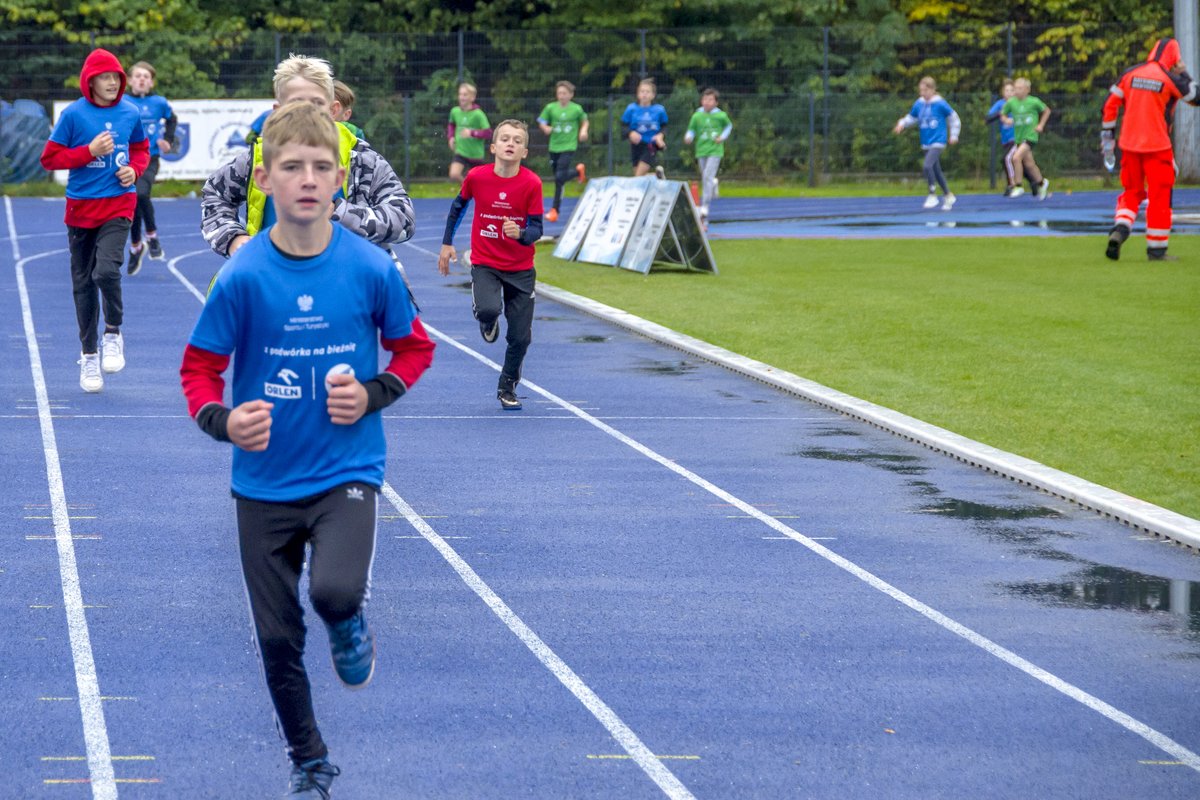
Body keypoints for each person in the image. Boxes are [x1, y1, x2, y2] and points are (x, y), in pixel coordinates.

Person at [180, 101, 435, 799]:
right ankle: (309, 759)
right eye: (292, 167)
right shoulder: (244, 275)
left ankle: (348, 622)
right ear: (264, 178)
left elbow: (415, 347)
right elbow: (198, 369)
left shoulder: (367, 267)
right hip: (261, 482)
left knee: (332, 590)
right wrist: (223, 422)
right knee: (276, 638)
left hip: (344, 470)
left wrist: (375, 392)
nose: (308, 179)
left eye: (322, 168)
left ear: (340, 177)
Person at [201, 54, 416, 263]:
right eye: (296, 104)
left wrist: (339, 212)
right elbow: (215, 194)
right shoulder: (257, 160)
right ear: (277, 111)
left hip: (349, 284)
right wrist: (232, 238)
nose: (306, 113)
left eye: (316, 104)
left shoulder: (362, 161)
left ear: (333, 110)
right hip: (276, 280)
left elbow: (404, 218)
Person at [39, 48, 149, 393]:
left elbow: (141, 148)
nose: (113, 83)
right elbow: (50, 159)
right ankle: (89, 356)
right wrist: (88, 152)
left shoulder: (130, 112)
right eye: (105, 77)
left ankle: (113, 331)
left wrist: (135, 169)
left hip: (119, 206)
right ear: (90, 81)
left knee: (106, 271)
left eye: (117, 77)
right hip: (81, 210)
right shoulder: (74, 115)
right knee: (84, 284)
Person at [437, 120, 543, 411]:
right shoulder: (477, 177)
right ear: (494, 147)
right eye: (505, 139)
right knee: (488, 309)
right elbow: (458, 207)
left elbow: (537, 229)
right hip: (486, 262)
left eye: (517, 140)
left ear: (524, 151)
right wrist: (447, 243)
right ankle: (487, 318)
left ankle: (507, 388)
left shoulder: (532, 183)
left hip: (521, 269)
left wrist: (520, 234)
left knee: (520, 338)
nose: (511, 143)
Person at [1102, 37, 1200, 261]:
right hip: (1158, 146)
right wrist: (1183, 72)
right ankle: (1156, 250)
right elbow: (1196, 97)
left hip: (1129, 145)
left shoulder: (1130, 74)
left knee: (1131, 192)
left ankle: (1121, 228)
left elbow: (1109, 105)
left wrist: (1108, 135)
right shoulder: (1170, 78)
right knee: (1159, 197)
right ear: (1174, 58)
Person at [125, 60, 177, 274]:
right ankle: (137, 245)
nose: (142, 79)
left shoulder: (159, 103)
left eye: (146, 76)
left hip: (149, 158)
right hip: (125, 160)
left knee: (141, 193)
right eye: (138, 76)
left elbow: (172, 119)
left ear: (151, 82)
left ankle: (152, 237)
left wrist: (168, 139)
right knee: (133, 202)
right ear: (129, 80)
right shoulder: (122, 102)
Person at [892, 76, 959, 210]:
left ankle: (932, 194)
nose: (922, 93)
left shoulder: (940, 104)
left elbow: (954, 118)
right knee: (936, 170)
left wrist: (954, 135)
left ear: (933, 90)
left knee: (927, 166)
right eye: (921, 90)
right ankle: (948, 195)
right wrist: (902, 124)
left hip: (938, 141)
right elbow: (912, 118)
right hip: (926, 142)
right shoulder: (919, 103)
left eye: (925, 90)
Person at [536, 80, 588, 222]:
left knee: (559, 178)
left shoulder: (576, 109)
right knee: (559, 177)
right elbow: (541, 120)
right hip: (554, 147)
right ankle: (578, 172)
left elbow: (585, 121)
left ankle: (555, 210)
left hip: (569, 146)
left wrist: (583, 131)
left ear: (571, 95)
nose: (562, 96)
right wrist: (545, 127)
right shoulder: (551, 108)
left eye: (565, 93)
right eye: (559, 93)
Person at [684, 87, 732, 226]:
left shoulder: (720, 116)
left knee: (706, 177)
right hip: (701, 150)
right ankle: (714, 183)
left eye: (710, 100)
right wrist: (689, 137)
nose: (707, 102)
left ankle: (705, 206)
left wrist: (722, 137)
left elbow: (728, 126)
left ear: (716, 102)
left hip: (715, 150)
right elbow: (692, 129)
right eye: (705, 99)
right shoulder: (697, 116)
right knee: (706, 176)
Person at [1001, 77, 1051, 200]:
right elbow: (1003, 113)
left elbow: (1046, 111)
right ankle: (1041, 183)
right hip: (1019, 137)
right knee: (1029, 164)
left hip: (1030, 136)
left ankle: (1018, 185)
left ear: (1027, 90)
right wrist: (1006, 120)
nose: (1017, 91)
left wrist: (1040, 125)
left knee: (1016, 157)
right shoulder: (1012, 102)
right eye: (1015, 88)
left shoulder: (1033, 102)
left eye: (1020, 88)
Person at [621, 77, 668, 178]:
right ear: (638, 94)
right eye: (642, 91)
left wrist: (660, 136)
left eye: (647, 92)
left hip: (651, 145)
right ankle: (657, 176)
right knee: (640, 177)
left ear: (653, 95)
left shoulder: (659, 110)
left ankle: (634, 193)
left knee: (637, 177)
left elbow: (664, 127)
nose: (644, 94)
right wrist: (630, 133)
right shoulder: (631, 109)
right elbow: (624, 126)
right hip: (636, 145)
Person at [447, 81, 491, 184]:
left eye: (465, 95)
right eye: (460, 94)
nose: (462, 97)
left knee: (479, 182)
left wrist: (472, 133)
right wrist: (450, 137)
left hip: (475, 155)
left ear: (472, 97)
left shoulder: (478, 114)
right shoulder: (455, 111)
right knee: (454, 174)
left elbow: (488, 133)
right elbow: (451, 124)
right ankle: (467, 190)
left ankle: (476, 192)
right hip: (461, 152)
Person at [985, 78, 1017, 196]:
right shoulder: (1000, 104)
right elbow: (988, 118)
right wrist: (1000, 113)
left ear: (1014, 92)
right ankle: (1038, 183)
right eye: (1006, 90)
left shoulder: (1018, 104)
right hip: (1006, 140)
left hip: (1018, 138)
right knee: (1012, 162)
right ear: (1003, 92)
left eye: (1011, 90)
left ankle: (1012, 185)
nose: (1009, 92)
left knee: (1007, 159)